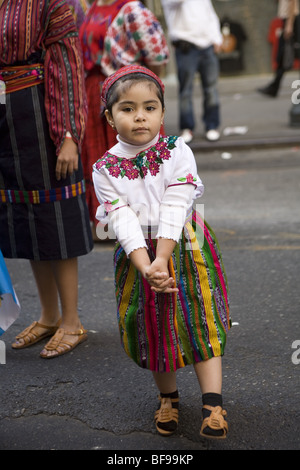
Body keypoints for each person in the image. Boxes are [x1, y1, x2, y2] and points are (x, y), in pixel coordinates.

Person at [92, 65, 231, 439]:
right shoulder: (104, 168)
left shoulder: (176, 150)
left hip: (184, 246)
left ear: (162, 113)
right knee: (151, 325)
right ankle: (167, 398)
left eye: (150, 107)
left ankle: (212, 404)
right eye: (127, 108)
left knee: (200, 320)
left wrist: (162, 257)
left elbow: (176, 203)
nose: (140, 116)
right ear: (109, 116)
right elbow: (119, 219)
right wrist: (146, 266)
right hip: (138, 257)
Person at [0, 0, 93, 359]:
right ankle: (49, 316)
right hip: (7, 122)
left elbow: (67, 70)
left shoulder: (53, 4)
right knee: (26, 219)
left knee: (56, 217)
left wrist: (68, 135)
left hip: (43, 119)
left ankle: (72, 321)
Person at [79, 0, 169, 240]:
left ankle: (145, 225)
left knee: (136, 157)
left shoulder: (131, 9)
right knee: (103, 158)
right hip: (94, 90)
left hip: (126, 94)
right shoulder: (94, 7)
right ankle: (109, 223)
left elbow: (157, 54)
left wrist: (140, 92)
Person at [161, 0, 223, 143]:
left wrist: (217, 38)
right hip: (186, 47)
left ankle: (212, 125)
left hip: (208, 46)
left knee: (211, 89)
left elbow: (210, 15)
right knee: (186, 91)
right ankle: (187, 127)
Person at [258, 0, 300, 97]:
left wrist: (289, 24)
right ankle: (274, 87)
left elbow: (292, 2)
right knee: (282, 56)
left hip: (291, 20)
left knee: (285, 54)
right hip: (289, 20)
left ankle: (274, 87)